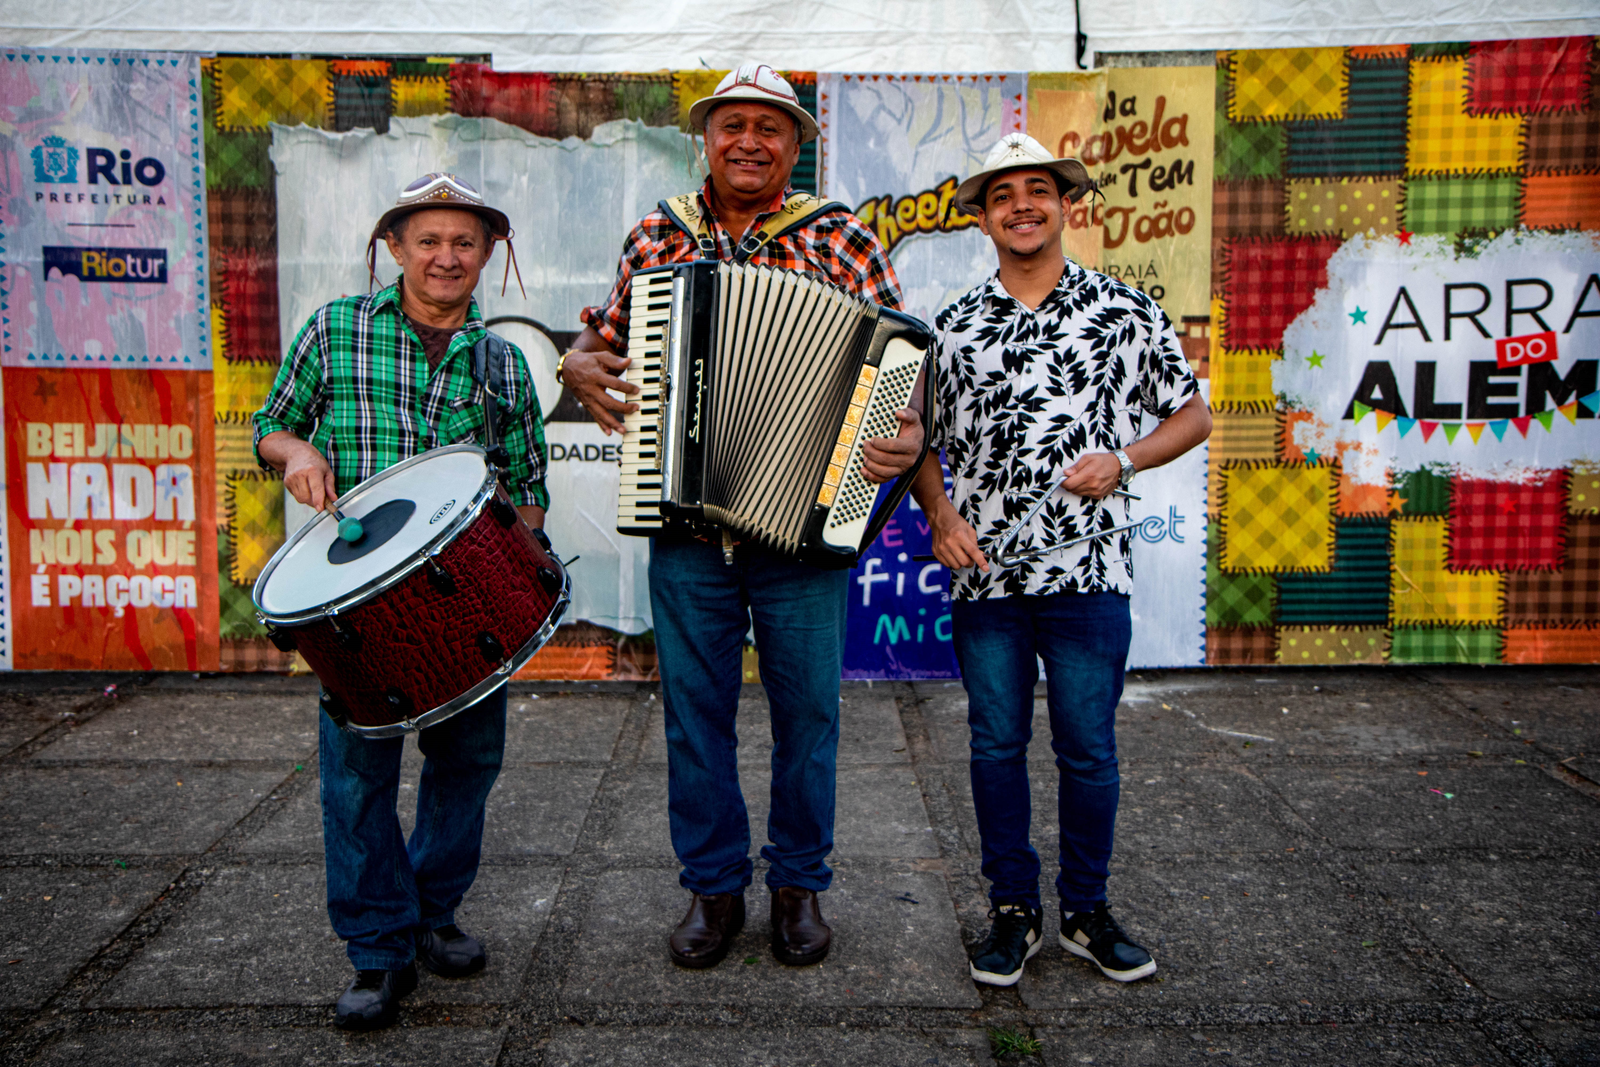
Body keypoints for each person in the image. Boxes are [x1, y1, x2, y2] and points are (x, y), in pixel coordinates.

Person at [558, 63, 923, 969]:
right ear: (706, 138)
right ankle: (714, 888)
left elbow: (899, 367)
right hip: (683, 519)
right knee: (694, 713)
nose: (750, 142)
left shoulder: (842, 239)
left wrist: (899, 436)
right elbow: (601, 339)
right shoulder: (656, 235)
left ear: (796, 146)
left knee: (809, 714)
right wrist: (576, 361)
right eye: (733, 126)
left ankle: (798, 886)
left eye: (770, 128)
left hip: (803, 523)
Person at [909, 134, 1211, 988]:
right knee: (995, 743)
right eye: (1003, 195)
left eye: (1037, 190)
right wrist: (938, 511)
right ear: (983, 217)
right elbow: (920, 438)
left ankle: (1086, 909)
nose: (1022, 206)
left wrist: (1126, 459)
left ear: (1065, 203)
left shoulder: (1123, 311)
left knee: (1088, 747)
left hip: (1087, 576)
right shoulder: (953, 323)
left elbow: (1192, 418)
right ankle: (1012, 910)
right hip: (988, 578)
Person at [253, 173, 549, 1029]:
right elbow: (271, 424)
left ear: (487, 254)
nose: (446, 257)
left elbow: (526, 483)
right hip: (357, 605)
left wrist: (512, 571)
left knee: (466, 769)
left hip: (465, 610)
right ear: (395, 248)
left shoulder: (500, 363)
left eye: (464, 243)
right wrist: (297, 451)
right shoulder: (335, 330)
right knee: (356, 783)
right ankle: (378, 949)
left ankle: (433, 910)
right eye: (429, 241)